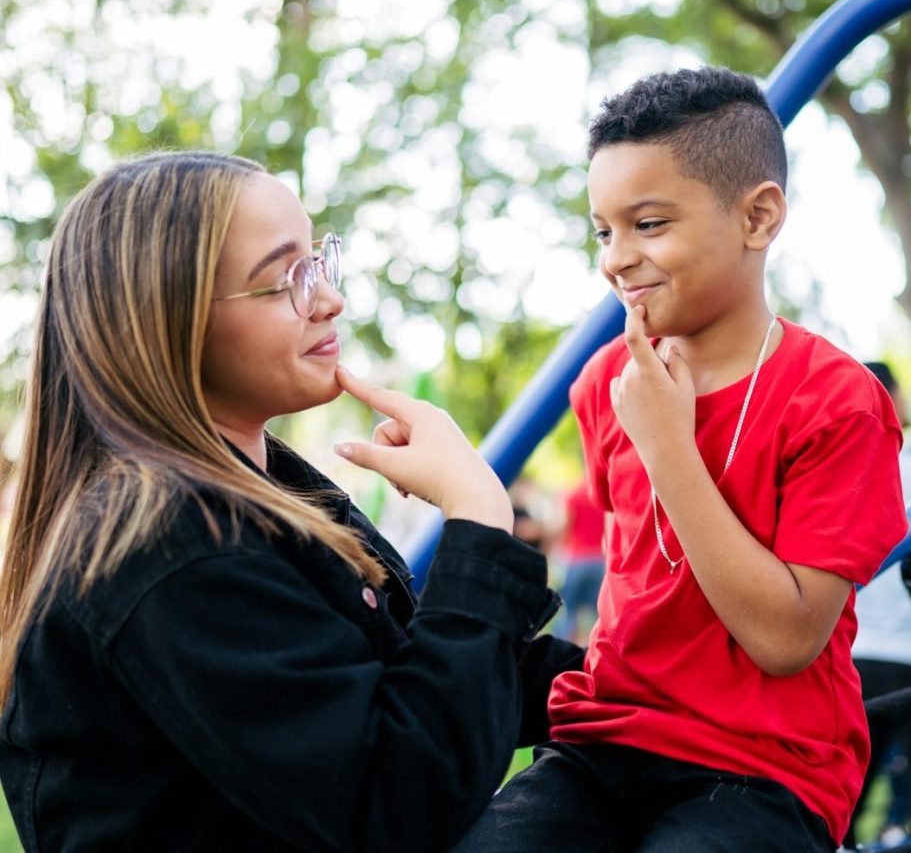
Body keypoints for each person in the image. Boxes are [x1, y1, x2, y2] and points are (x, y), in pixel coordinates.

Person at [0, 151, 584, 852]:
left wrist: (633, 677)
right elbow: (401, 800)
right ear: (167, 322)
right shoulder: (166, 544)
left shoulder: (265, 490)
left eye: (318, 260)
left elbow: (405, 671)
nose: (330, 299)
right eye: (286, 281)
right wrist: (478, 520)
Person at [454, 67, 908, 853]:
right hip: (605, 741)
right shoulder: (605, 383)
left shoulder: (836, 400)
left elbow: (784, 638)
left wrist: (667, 443)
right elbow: (638, 577)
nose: (616, 258)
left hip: (763, 766)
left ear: (757, 217)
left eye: (648, 224)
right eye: (603, 231)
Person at [846, 361, 911, 848]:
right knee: (900, 790)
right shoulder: (903, 463)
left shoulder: (841, 464)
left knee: (849, 784)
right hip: (902, 652)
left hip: (851, 649)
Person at [552, 480, 605, 643]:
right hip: (600, 559)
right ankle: (595, 647)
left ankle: (563, 645)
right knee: (600, 612)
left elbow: (565, 525)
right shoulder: (602, 494)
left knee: (569, 609)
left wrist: (557, 550)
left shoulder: (574, 495)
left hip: (577, 559)